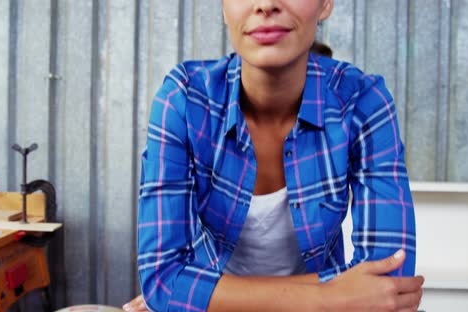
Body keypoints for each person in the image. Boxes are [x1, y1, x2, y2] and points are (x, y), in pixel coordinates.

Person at [127, 0, 423, 311]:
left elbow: (389, 281)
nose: (266, 4)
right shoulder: (185, 99)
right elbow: (162, 280)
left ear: (325, 4)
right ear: (223, 6)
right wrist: (329, 296)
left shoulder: (362, 101)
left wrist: (194, 292)